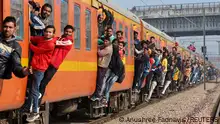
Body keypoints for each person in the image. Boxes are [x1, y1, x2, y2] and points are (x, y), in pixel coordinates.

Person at [25, 25, 58, 122]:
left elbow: (37, 50)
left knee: (35, 90)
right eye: (46, 31)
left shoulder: (51, 44)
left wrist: (29, 44)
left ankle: (35, 111)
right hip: (35, 66)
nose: (48, 33)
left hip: (40, 68)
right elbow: (32, 38)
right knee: (32, 89)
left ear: (53, 34)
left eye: (50, 32)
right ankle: (29, 106)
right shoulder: (41, 39)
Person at [38, 25, 75, 105]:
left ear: (72, 33)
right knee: (39, 81)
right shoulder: (59, 38)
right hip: (47, 62)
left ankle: (38, 102)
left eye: (70, 32)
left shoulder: (69, 41)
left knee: (43, 83)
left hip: (54, 65)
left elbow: (55, 42)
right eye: (66, 31)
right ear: (64, 31)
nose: (68, 33)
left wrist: (49, 39)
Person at [0, 16, 30, 95]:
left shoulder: (15, 46)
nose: (7, 29)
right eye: (5, 27)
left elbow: (16, 65)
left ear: (14, 29)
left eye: (10, 27)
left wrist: (23, 71)